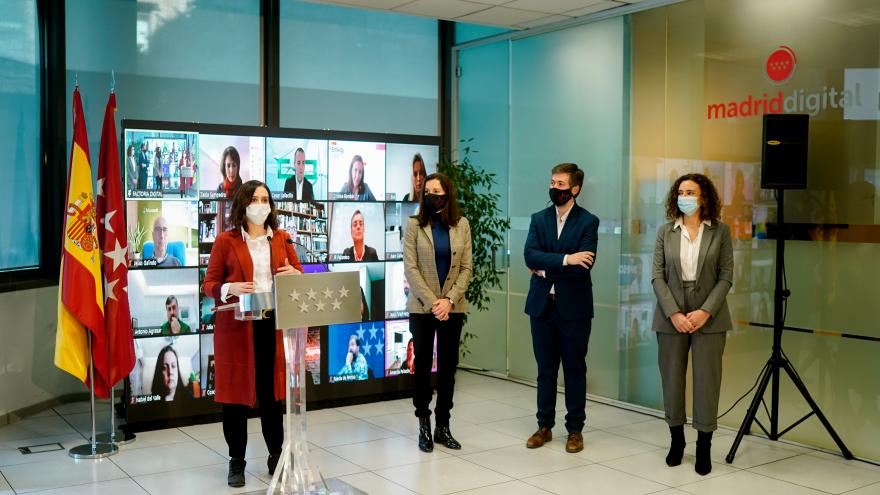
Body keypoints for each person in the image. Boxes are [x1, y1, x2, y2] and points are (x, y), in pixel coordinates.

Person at [202, 179, 303, 488]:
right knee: (235, 398)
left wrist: (295, 275)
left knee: (271, 395)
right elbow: (209, 285)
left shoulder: (282, 239)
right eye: (256, 199)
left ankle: (276, 456)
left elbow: (298, 277)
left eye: (265, 199)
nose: (261, 204)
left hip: (271, 326)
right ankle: (237, 461)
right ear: (244, 204)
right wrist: (229, 288)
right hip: (237, 328)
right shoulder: (225, 240)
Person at [652, 173, 733, 476]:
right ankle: (676, 442)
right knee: (672, 381)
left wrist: (705, 312)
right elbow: (657, 276)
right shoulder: (665, 232)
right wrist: (674, 313)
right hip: (670, 313)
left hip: (709, 315)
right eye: (681, 191)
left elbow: (726, 276)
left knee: (706, 384)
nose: (685, 196)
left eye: (691, 191)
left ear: (704, 197)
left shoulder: (720, 232)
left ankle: (703, 447)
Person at [523, 163, 599, 454]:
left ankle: (575, 430)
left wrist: (545, 267)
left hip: (574, 309)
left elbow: (586, 265)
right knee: (545, 370)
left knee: (574, 369)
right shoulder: (538, 219)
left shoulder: (588, 222)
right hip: (542, 307)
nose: (554, 188)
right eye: (552, 182)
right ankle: (544, 426)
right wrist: (567, 259)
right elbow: (529, 255)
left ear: (575, 189)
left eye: (561, 184)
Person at [403, 172, 473, 453]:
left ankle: (443, 425)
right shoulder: (414, 225)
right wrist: (435, 302)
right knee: (422, 366)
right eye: (428, 191)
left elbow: (467, 268)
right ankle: (424, 424)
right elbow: (411, 267)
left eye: (438, 190)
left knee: (447, 368)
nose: (432, 194)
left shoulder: (462, 224)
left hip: (453, 308)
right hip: (422, 307)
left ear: (447, 194)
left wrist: (449, 301)